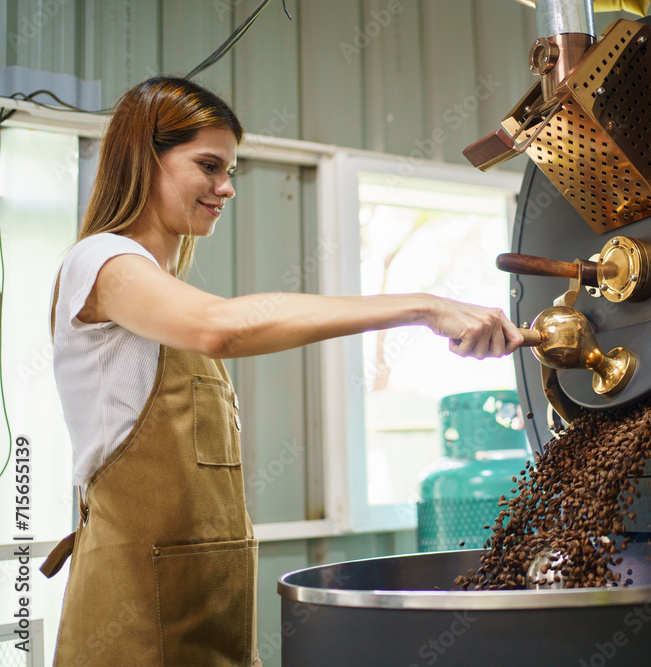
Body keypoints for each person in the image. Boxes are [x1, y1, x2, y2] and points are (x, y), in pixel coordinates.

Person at [41, 76, 523, 666]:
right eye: (209, 165)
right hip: (132, 624)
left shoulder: (163, 295)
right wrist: (422, 307)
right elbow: (224, 327)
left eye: (231, 171)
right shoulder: (102, 260)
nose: (226, 187)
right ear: (146, 157)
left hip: (210, 620)